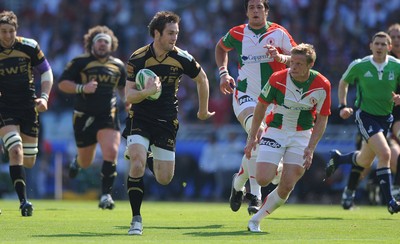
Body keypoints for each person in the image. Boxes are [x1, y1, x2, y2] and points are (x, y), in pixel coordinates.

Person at [123, 11, 214, 236]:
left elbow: (202, 79)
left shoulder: (182, 57)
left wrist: (203, 110)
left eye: (177, 33)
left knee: (164, 178)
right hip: (141, 116)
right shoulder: (138, 58)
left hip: (166, 119)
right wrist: (146, 91)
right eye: (170, 33)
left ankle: (146, 156)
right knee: (136, 163)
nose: (175, 37)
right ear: (157, 33)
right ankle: (136, 219)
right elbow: (128, 96)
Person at [215, 0, 297, 215]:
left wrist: (281, 57)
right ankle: (255, 196)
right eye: (251, 7)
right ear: (247, 12)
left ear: (266, 11)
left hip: (274, 101)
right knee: (257, 133)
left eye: (259, 7)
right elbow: (221, 47)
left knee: (259, 147)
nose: (255, 11)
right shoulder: (238, 33)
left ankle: (238, 183)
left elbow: (299, 59)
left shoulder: (279, 33)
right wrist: (223, 73)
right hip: (245, 96)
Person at [244, 43, 330, 232]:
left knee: (286, 186)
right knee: (263, 179)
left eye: (299, 64)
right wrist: (252, 137)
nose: (293, 67)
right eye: (292, 62)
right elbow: (260, 106)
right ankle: (279, 167)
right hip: (276, 130)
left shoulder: (322, 85)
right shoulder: (277, 79)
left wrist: (311, 147)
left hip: (301, 135)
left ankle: (256, 220)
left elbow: (322, 118)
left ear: (310, 65)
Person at [325, 31, 400, 214]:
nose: (380, 47)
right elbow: (343, 82)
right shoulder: (360, 65)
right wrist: (343, 105)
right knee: (385, 153)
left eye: (384, 44)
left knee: (365, 160)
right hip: (365, 116)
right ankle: (390, 200)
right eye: (377, 43)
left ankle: (339, 158)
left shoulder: (397, 66)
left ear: (389, 48)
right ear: (371, 46)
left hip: (385, 118)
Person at [58, 25, 127, 210]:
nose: (103, 44)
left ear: (111, 45)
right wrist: (82, 88)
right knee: (86, 161)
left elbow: (122, 88)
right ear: (92, 44)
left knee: (111, 152)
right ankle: (77, 161)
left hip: (108, 115)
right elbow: (62, 84)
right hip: (84, 116)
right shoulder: (80, 62)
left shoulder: (118, 65)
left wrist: (127, 102)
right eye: (99, 41)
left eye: (106, 41)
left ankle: (106, 195)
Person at [0, 10, 53, 216]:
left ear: (16, 30)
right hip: (4, 107)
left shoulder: (29, 46)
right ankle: (24, 202)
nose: (7, 35)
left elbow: (46, 72)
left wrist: (45, 97)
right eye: (3, 31)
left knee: (28, 160)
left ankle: (8, 147)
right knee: (16, 150)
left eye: (11, 31)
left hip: (28, 107)